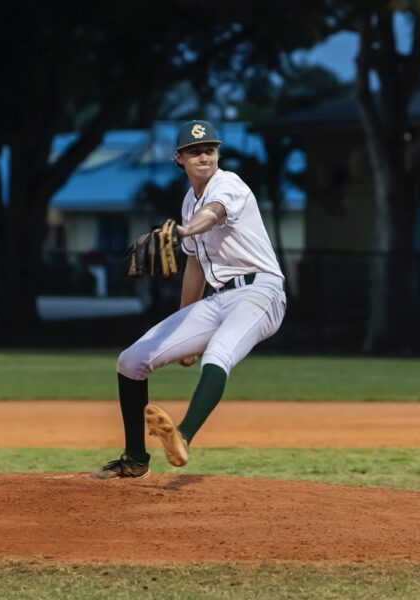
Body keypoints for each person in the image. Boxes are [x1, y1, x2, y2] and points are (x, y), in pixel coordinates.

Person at [93, 119, 287, 479]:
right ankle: (135, 458)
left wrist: (183, 230)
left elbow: (211, 216)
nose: (204, 156)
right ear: (179, 158)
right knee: (130, 361)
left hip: (261, 292)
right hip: (217, 300)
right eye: (195, 151)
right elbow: (195, 265)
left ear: (218, 155)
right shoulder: (188, 202)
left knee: (218, 354)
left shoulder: (229, 185)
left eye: (210, 149)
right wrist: (187, 329)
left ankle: (182, 436)